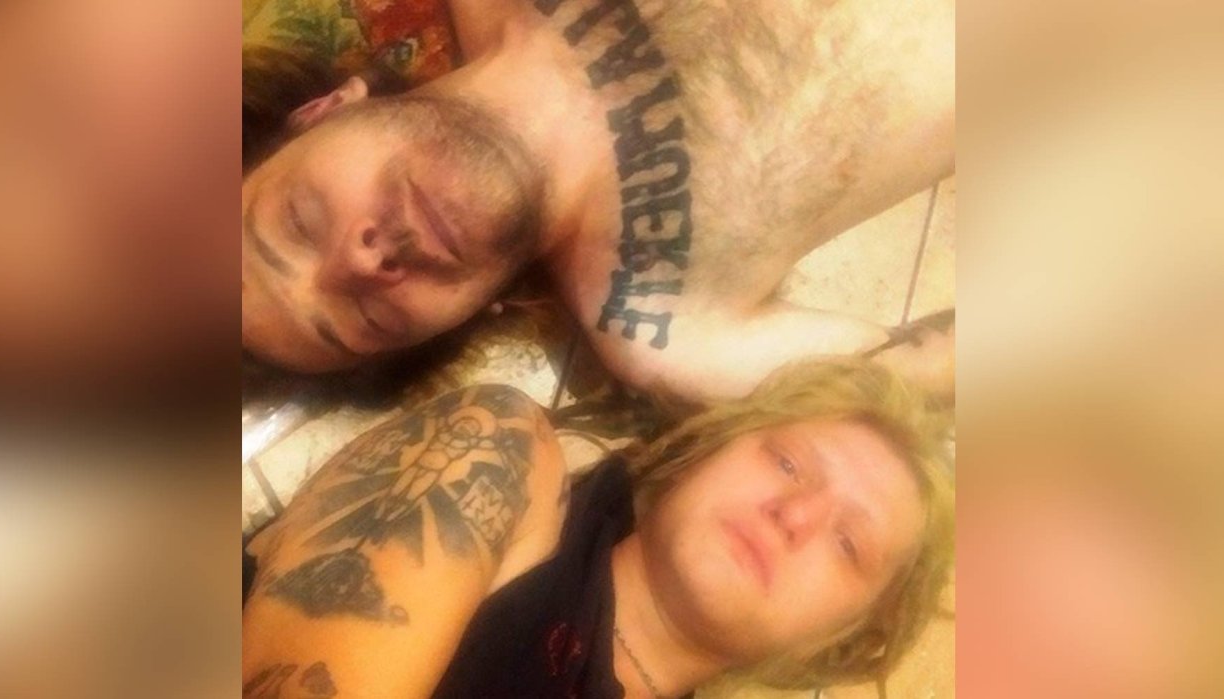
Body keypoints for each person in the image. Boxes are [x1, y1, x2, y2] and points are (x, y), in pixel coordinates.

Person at [241, 0, 956, 405]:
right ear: (466, 317)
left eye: (299, 222)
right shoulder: (666, 327)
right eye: (368, 318)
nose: (360, 262)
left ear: (323, 109)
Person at [242, 358, 955, 697]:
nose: (795, 516)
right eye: (788, 462)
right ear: (705, 448)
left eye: (849, 543)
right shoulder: (499, 459)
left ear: (844, 639)